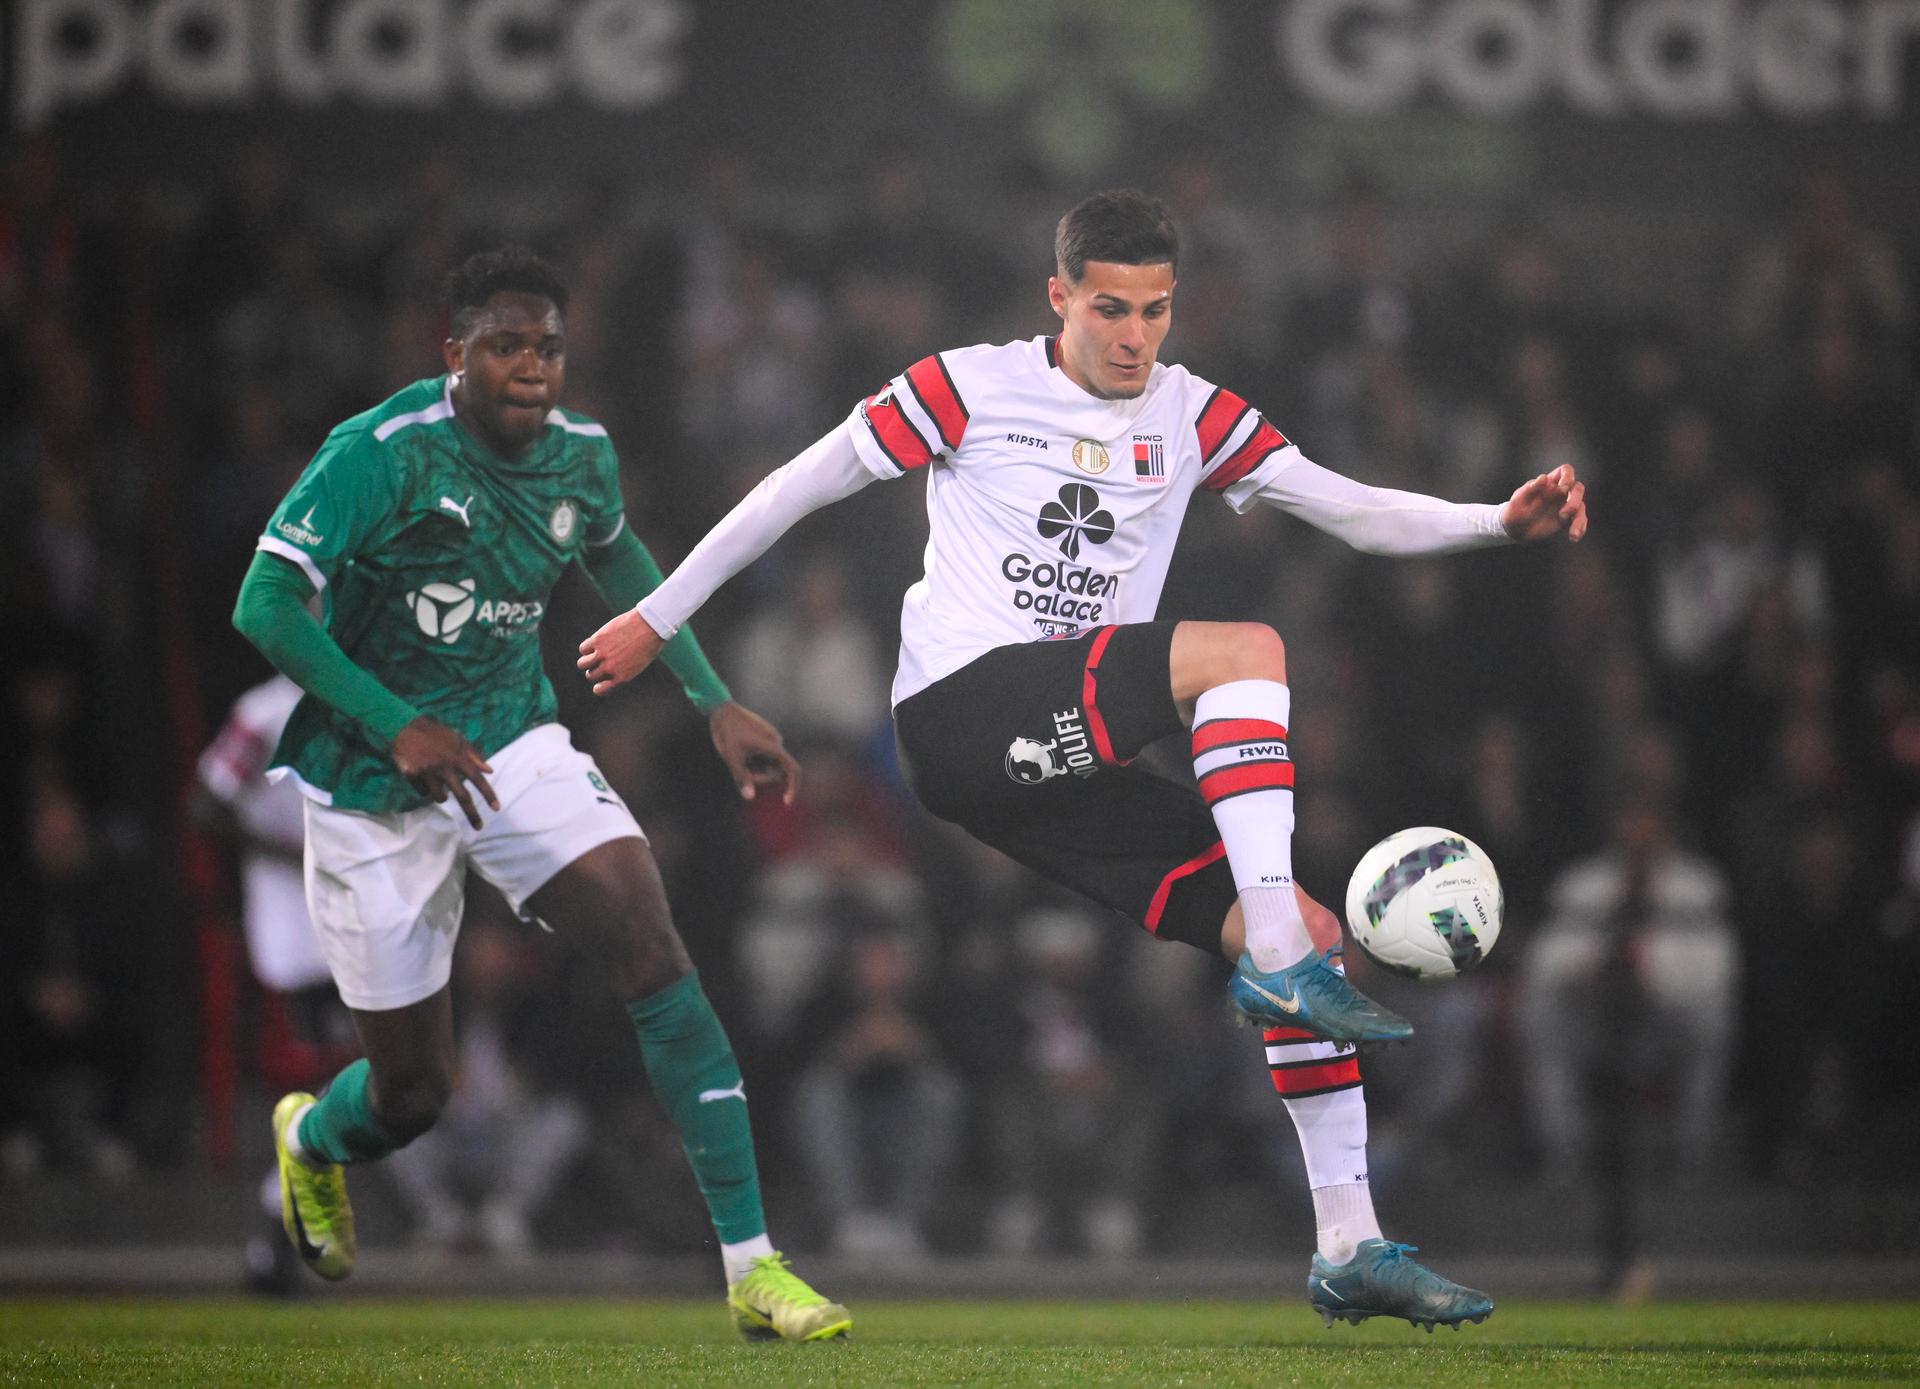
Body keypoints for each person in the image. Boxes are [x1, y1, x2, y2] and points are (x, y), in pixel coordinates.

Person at [579, 191, 1589, 1330]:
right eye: (1110, 307)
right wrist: (660, 618)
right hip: (960, 715)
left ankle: (1348, 1241)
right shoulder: (965, 386)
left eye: (1156, 311)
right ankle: (1272, 959)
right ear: (1057, 297)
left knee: (1305, 932)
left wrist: (1495, 525)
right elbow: (791, 490)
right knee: (1246, 653)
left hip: (1058, 757)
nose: (1133, 335)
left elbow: (1351, 510)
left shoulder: (1194, 413)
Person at [231, 247, 849, 1342]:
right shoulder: (378, 456)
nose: (532, 367)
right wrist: (396, 722)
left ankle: (753, 1266)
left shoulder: (583, 459)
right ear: (455, 353)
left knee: (650, 938)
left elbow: (622, 562)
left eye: (549, 347)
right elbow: (266, 602)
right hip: (373, 776)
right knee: (415, 1095)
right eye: (507, 346)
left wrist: (712, 698)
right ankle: (313, 1142)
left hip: (514, 740)